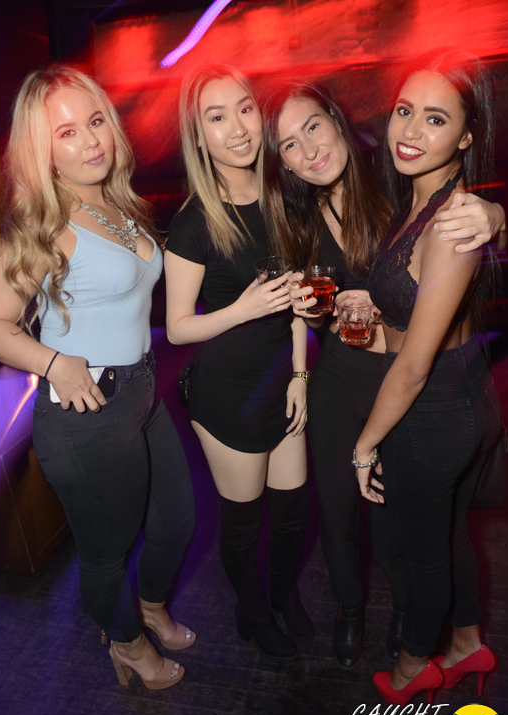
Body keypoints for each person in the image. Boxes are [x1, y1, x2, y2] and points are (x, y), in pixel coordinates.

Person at [261, 80, 504, 668]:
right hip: (341, 374)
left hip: (397, 376)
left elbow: (444, 235)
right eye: (289, 145)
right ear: (283, 162)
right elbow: (315, 309)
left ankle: (406, 614)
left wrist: (495, 215)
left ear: (337, 120)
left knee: (399, 523)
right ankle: (350, 611)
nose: (308, 150)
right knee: (338, 511)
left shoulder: (395, 175)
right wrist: (317, 310)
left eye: (312, 127)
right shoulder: (295, 214)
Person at [0, 65, 196, 690]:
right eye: (67, 132)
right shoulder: (44, 223)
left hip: (141, 391)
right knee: (107, 554)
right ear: (42, 151)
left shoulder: (116, 201)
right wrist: (53, 361)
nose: (91, 141)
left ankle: (149, 607)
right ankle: (127, 643)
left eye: (96, 121)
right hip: (85, 413)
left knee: (176, 521)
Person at [353, 49, 501, 704]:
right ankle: (467, 644)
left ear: (466, 137)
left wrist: (364, 445)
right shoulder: (424, 201)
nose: (410, 131)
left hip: (432, 408)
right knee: (451, 534)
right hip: (463, 392)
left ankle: (415, 667)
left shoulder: (449, 219)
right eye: (404, 111)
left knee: (423, 554)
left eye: (435, 119)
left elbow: (412, 366)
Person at [164, 65, 310, 662]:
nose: (237, 128)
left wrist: (300, 374)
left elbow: (297, 300)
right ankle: (252, 612)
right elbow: (177, 327)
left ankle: (282, 592)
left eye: (245, 109)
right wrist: (242, 308)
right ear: (199, 136)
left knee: (294, 513)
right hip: (227, 393)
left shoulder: (282, 197)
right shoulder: (195, 220)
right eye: (216, 117)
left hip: (281, 379)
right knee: (245, 523)